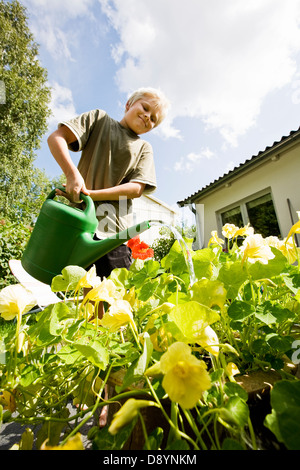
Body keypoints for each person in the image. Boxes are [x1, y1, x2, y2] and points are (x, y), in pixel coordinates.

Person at [47, 87, 169, 317]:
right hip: (81, 227)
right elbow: (57, 138)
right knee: (90, 299)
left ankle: (119, 345)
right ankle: (93, 339)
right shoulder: (99, 120)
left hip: (115, 233)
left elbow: (136, 189)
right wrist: (73, 175)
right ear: (128, 104)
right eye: (145, 108)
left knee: (118, 301)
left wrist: (90, 194)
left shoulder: (144, 148)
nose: (147, 117)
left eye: (154, 119)